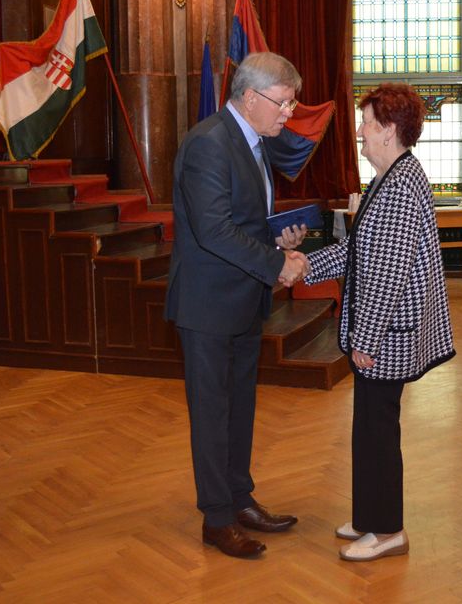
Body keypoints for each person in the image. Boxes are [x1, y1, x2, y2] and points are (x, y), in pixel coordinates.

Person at [165, 52, 310, 559]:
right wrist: (276, 265)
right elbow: (213, 230)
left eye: (291, 103)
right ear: (250, 97)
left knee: (239, 408)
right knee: (212, 413)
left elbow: (245, 222)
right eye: (284, 102)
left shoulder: (253, 142)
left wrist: (279, 241)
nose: (289, 113)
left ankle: (240, 499)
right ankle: (217, 518)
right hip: (208, 305)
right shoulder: (209, 142)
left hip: (244, 299)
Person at [302, 83, 455, 562]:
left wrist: (365, 339)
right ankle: (370, 516)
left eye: (366, 123)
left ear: (389, 130)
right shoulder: (389, 178)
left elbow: (388, 273)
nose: (360, 132)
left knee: (378, 431)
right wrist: (305, 266)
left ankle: (388, 531)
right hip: (385, 331)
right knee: (369, 426)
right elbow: (358, 252)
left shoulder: (400, 185)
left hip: (387, 334)